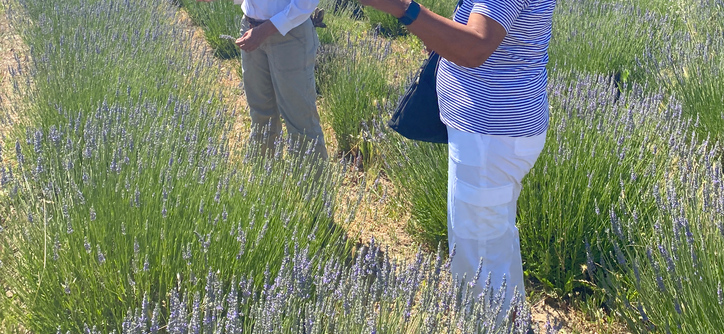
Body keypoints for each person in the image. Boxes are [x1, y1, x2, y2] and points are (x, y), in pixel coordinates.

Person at [359, 0, 555, 308]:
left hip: (489, 137)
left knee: (478, 255)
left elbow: (474, 47)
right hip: (493, 134)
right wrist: (441, 37)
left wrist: (402, 8)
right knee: (492, 243)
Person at [197, 0, 328, 159]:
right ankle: (263, 178)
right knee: (261, 115)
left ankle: (311, 182)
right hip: (250, 27)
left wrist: (263, 31)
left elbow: (306, 3)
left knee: (300, 119)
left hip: (290, 35)